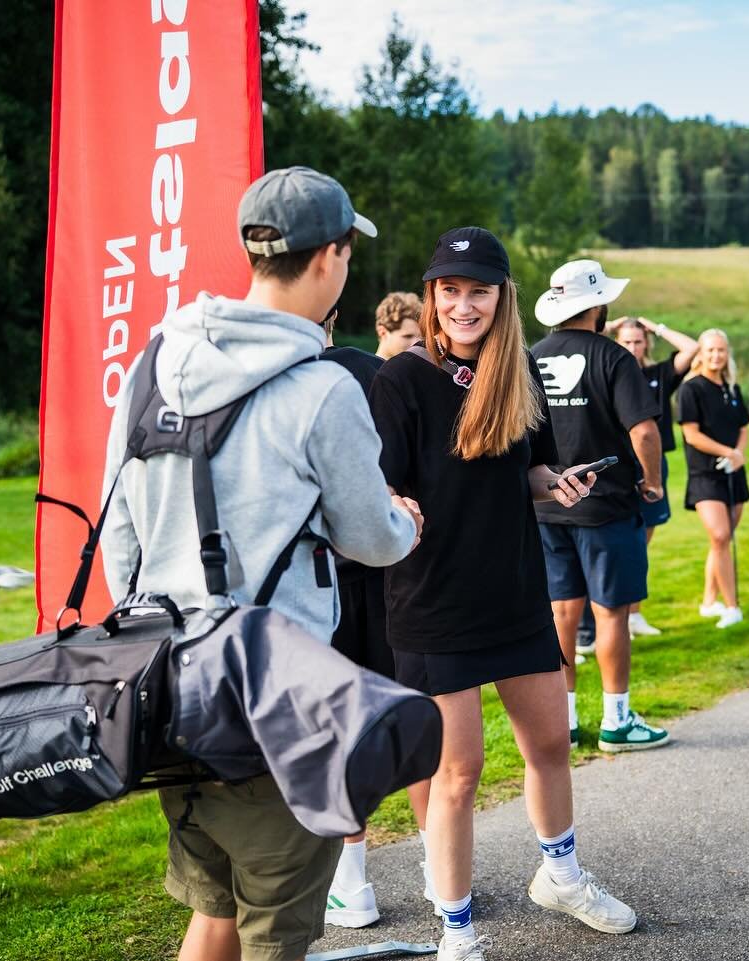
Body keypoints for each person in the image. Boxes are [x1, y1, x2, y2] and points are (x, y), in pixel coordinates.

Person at [100, 166, 423, 961]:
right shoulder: (321, 388)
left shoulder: (152, 361)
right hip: (274, 699)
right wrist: (406, 522)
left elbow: (120, 536)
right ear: (330, 257)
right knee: (276, 934)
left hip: (167, 685)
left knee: (212, 913)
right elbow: (371, 540)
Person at [369, 228, 638, 961]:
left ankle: (561, 874)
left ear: (502, 297)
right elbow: (379, 487)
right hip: (431, 604)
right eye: (449, 290)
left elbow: (526, 467)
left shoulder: (516, 369)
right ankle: (456, 930)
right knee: (457, 773)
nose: (463, 304)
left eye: (478, 290)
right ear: (431, 296)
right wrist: (395, 504)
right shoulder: (399, 380)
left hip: (515, 591)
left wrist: (551, 481)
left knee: (551, 743)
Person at [317, 307, 434, 928]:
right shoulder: (377, 373)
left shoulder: (276, 378)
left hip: (320, 581)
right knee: (407, 718)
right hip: (390, 567)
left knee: (341, 730)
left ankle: (351, 880)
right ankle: (437, 867)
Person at [532, 263, 670, 754]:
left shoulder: (531, 356)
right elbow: (645, 431)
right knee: (611, 615)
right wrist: (651, 482)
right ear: (597, 306)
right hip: (607, 504)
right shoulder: (614, 357)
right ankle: (617, 720)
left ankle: (564, 723)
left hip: (546, 505)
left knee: (559, 614)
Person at [607, 315, 699, 636]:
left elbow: (693, 347)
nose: (632, 347)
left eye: (637, 341)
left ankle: (634, 614)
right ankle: (608, 618)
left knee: (641, 545)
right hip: (617, 464)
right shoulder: (608, 372)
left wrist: (655, 326)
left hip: (653, 464)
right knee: (614, 543)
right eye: (626, 341)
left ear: (646, 343)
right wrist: (606, 326)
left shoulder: (659, 373)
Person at [676, 329, 749, 629]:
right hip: (705, 474)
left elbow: (744, 427)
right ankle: (732, 606)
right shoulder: (690, 389)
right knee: (720, 536)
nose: (716, 355)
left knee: (721, 540)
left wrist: (739, 455)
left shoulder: (730, 388)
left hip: (733, 472)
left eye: (720, 350)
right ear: (701, 353)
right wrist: (728, 452)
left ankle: (709, 601)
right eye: (710, 350)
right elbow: (691, 434)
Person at [375, 291, 424, 360]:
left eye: (421, 338)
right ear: (382, 332)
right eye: (408, 336)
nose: (417, 344)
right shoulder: (360, 369)